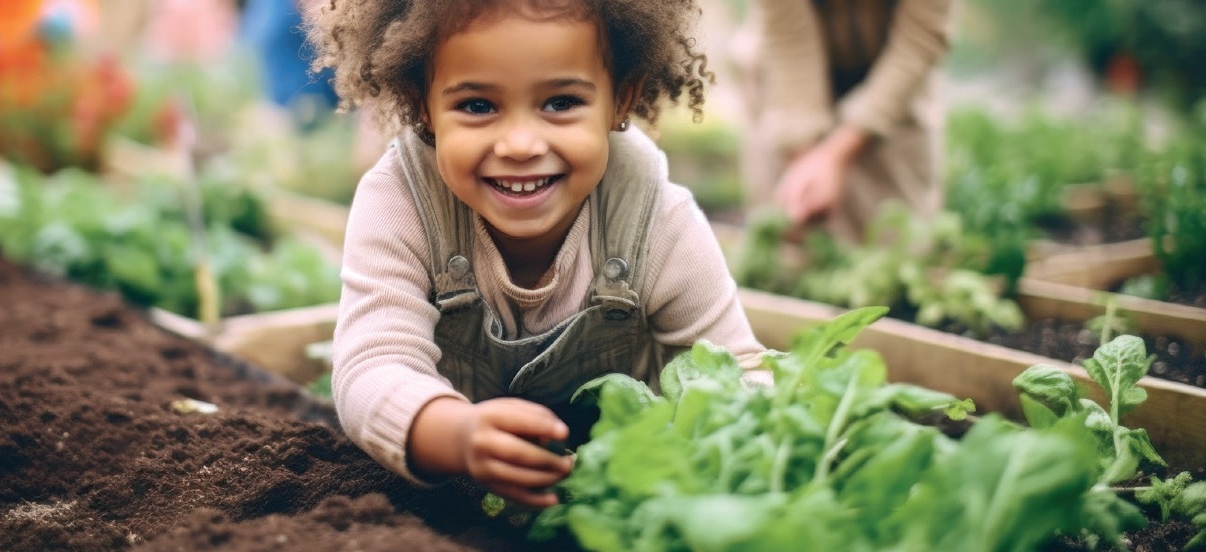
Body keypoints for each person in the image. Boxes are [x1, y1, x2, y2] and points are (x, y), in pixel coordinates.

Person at [304, 0, 769, 508]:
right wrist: (454, 434)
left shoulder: (655, 218)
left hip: (623, 499)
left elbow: (736, 366)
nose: (521, 144)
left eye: (561, 102)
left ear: (621, 99)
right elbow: (371, 365)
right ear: (423, 105)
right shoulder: (401, 202)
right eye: (478, 106)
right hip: (457, 502)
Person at [734, 0, 954, 243]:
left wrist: (837, 153)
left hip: (893, 71)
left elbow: (917, 42)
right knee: (787, 234)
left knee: (898, 234)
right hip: (785, 69)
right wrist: (803, 157)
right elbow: (790, 43)